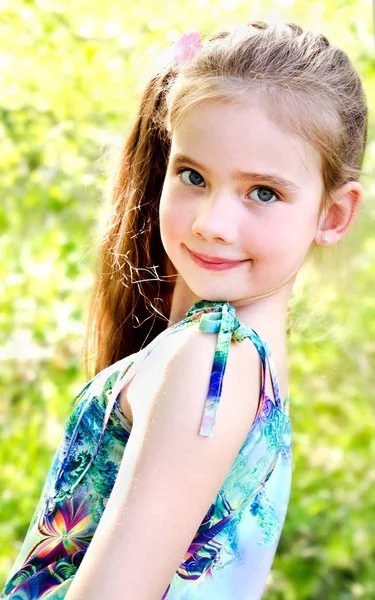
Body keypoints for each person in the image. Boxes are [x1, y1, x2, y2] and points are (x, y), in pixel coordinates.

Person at [1, 20, 368, 600]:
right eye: (192, 176)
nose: (210, 224)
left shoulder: (210, 363)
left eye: (263, 192)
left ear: (333, 214)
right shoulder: (245, 355)